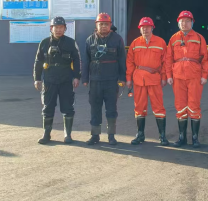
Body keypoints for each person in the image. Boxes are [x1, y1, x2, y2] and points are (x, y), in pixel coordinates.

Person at [33, 17, 81, 145]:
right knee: (48, 107)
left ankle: (67, 135)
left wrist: (77, 77)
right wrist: (37, 78)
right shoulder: (44, 43)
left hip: (66, 79)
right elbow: (38, 61)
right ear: (51, 28)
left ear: (65, 29)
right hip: (49, 79)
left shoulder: (71, 43)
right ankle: (46, 134)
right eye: (56, 27)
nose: (58, 30)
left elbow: (77, 60)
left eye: (61, 27)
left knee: (68, 107)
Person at [81, 13, 126, 146]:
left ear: (110, 25)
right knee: (95, 109)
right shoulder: (90, 40)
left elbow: (122, 60)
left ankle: (111, 136)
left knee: (111, 109)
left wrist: (122, 78)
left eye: (106, 24)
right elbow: (86, 60)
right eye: (101, 24)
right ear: (96, 25)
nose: (103, 26)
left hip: (111, 81)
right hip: (95, 81)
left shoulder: (117, 39)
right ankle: (95, 135)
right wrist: (85, 78)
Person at [165, 11, 208, 148]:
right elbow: (168, 58)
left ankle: (195, 138)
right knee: (180, 106)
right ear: (178, 23)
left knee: (194, 106)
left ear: (192, 23)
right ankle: (182, 137)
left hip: (195, 76)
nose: (184, 23)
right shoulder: (173, 38)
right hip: (178, 76)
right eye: (182, 21)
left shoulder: (199, 38)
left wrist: (204, 76)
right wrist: (169, 75)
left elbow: (205, 59)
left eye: (187, 21)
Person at [126, 17, 169, 146]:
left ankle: (162, 136)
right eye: (142, 27)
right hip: (139, 80)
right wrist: (128, 79)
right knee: (139, 108)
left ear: (152, 28)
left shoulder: (160, 42)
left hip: (154, 79)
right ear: (140, 29)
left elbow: (165, 62)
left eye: (147, 27)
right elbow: (130, 62)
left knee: (159, 107)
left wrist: (164, 77)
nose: (145, 29)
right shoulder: (135, 43)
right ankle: (140, 134)